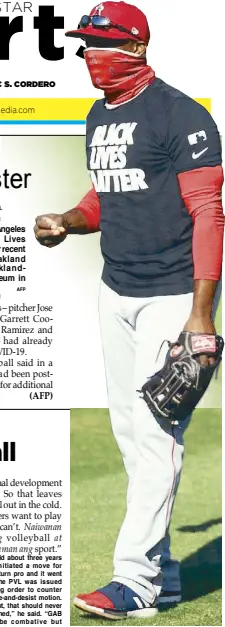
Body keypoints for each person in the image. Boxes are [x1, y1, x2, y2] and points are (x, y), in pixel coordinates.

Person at [34, 1, 224, 620]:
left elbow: (208, 213)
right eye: (84, 43)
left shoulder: (181, 114)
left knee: (154, 434)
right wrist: (68, 219)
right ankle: (164, 576)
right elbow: (106, 193)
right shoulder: (98, 114)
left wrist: (201, 314)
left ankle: (133, 583)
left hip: (173, 294)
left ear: (136, 48)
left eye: (98, 43)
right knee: (128, 434)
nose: (87, 53)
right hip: (116, 289)